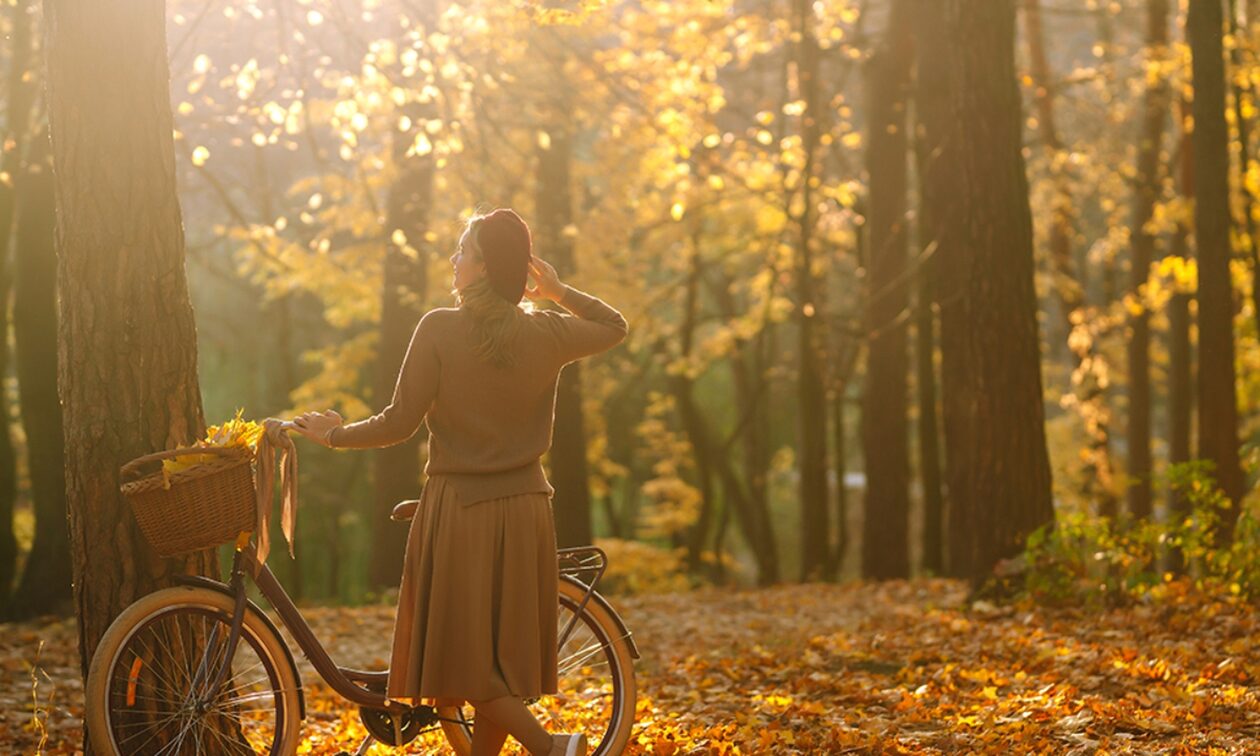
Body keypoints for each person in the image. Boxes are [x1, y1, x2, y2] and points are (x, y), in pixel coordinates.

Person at [290, 207, 627, 756]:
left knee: (464, 666)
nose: (454, 260)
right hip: (525, 512)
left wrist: (334, 435)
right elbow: (616, 326)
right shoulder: (547, 332)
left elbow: (399, 422)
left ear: (485, 266)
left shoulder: (439, 329)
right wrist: (560, 292)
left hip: (462, 513)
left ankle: (553, 750)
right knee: (493, 664)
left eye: (464, 251)